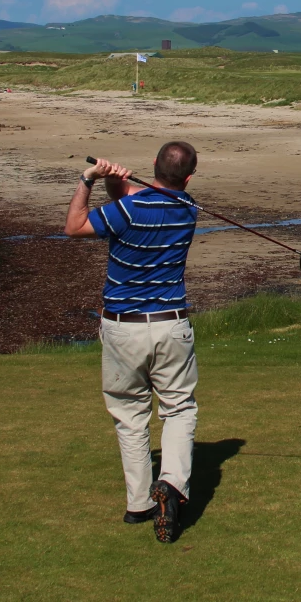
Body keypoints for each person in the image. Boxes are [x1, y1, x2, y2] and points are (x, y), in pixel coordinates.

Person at [64, 142, 201, 543]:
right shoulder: (188, 209)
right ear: (188, 178)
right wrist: (114, 183)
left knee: (130, 414)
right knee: (178, 409)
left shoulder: (126, 210)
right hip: (171, 324)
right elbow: (137, 202)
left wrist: (88, 181)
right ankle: (172, 484)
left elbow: (74, 226)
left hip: (123, 327)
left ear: (153, 167)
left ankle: (140, 502)